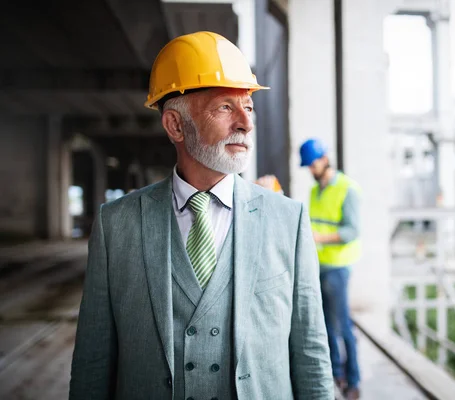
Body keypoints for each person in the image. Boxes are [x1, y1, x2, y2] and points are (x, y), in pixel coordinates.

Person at [69, 31, 333, 400]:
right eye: (225, 107)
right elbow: (93, 361)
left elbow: (310, 352)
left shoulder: (287, 219)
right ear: (175, 125)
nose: (245, 122)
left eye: (249, 107)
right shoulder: (117, 224)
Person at [299, 139, 362, 399]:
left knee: (343, 325)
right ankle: (336, 374)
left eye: (313, 164)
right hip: (319, 267)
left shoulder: (347, 188)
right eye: (309, 166)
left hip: (338, 267)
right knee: (325, 325)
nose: (311, 170)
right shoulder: (314, 192)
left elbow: (352, 230)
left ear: (325, 159)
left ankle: (354, 380)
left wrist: (320, 238)